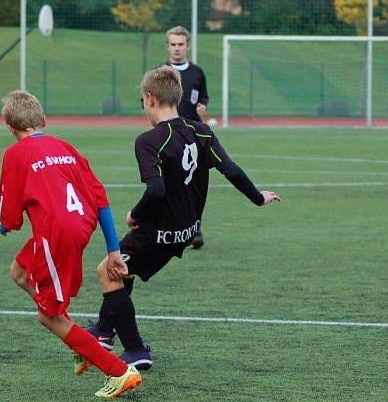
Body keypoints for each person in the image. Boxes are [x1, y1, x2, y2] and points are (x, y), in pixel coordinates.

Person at [87, 66, 280, 370]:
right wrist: (258, 198)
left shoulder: (149, 140)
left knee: (107, 269)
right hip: (187, 232)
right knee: (126, 267)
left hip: (159, 232)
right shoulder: (202, 130)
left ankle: (136, 350)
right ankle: (103, 331)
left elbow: (156, 189)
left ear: (150, 98)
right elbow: (231, 170)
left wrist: (134, 214)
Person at [0, 90, 142, 400]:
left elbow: (10, 216)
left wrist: (4, 225)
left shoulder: (14, 154)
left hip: (56, 233)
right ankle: (81, 347)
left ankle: (118, 371)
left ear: (11, 129)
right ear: (44, 120)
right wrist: (113, 248)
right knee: (19, 272)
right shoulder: (65, 147)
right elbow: (100, 197)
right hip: (80, 225)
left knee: (48, 315)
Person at [164, 26, 210, 248]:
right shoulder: (160, 72)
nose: (177, 48)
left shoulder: (197, 73)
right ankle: (172, 228)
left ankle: (196, 227)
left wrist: (202, 107)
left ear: (187, 46)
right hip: (168, 136)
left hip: (194, 136)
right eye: (173, 44)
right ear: (168, 46)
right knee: (170, 183)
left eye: (180, 44)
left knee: (197, 183)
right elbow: (146, 100)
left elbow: (203, 98)